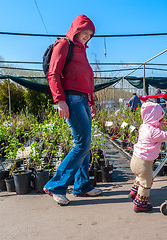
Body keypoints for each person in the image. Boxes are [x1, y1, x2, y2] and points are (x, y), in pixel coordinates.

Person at [43, 14, 102, 206]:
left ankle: (82, 186)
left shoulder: (82, 51)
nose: (86, 37)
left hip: (83, 100)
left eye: (89, 35)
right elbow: (53, 74)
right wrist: (60, 100)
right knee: (82, 144)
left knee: (85, 144)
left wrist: (91, 102)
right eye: (84, 33)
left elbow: (87, 79)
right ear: (75, 30)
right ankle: (55, 186)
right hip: (71, 98)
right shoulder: (63, 45)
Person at [128, 102, 167, 212]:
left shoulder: (143, 127)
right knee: (146, 182)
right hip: (144, 163)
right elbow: (166, 135)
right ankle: (140, 204)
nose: (161, 121)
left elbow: (154, 131)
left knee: (140, 176)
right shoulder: (154, 132)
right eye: (159, 119)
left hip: (135, 160)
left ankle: (134, 192)